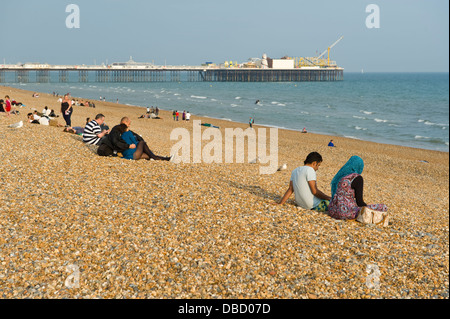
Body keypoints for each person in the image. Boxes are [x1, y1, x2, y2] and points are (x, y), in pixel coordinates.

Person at [327, 156, 388, 220]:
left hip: (333, 210)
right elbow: (360, 202)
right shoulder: (357, 178)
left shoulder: (341, 176)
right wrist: (366, 206)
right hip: (346, 213)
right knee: (383, 207)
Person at [97, 117, 173, 161]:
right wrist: (129, 146)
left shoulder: (122, 129)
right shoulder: (117, 129)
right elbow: (116, 142)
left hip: (127, 153)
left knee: (147, 155)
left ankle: (163, 158)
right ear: (124, 122)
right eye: (129, 124)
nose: (129, 126)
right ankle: (159, 158)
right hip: (127, 153)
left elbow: (135, 135)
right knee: (142, 144)